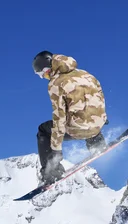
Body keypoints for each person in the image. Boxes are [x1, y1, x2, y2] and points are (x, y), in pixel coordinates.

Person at [32, 50, 108, 184]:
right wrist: (102, 118)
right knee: (84, 115)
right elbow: (99, 97)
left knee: (43, 130)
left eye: (41, 74)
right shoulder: (86, 74)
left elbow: (59, 118)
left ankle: (51, 171)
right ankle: (97, 144)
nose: (43, 77)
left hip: (78, 129)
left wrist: (56, 150)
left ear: (47, 69)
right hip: (97, 125)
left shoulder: (56, 84)